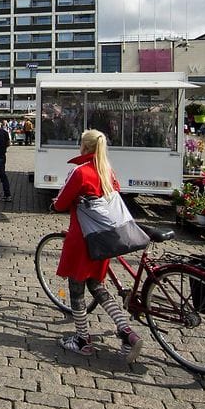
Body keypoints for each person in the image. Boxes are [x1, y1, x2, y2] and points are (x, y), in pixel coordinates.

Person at [51, 129, 144, 363]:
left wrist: (57, 204)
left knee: (76, 290)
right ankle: (127, 331)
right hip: (103, 239)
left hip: (82, 238)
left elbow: (61, 203)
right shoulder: (106, 169)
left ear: (84, 146)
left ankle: (82, 340)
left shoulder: (80, 172)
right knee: (96, 285)